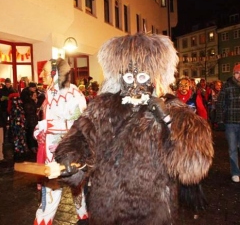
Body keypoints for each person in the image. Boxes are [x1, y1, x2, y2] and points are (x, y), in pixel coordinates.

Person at [54, 33, 214, 225]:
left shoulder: (170, 106)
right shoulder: (102, 106)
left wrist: (167, 119)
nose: (136, 83)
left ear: (153, 77)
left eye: (143, 76)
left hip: (154, 209)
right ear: (121, 78)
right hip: (108, 205)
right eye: (130, 76)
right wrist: (71, 158)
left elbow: (195, 163)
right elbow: (79, 137)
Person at [33, 58, 87, 225]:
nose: (41, 74)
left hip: (70, 155)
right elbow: (44, 124)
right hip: (51, 155)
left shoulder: (73, 94)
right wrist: (39, 132)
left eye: (45, 71)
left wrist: (48, 126)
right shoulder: (49, 93)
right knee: (49, 198)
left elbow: (81, 125)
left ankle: (85, 220)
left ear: (56, 74)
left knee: (78, 193)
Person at [215, 63, 240, 183]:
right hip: (231, 123)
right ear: (234, 74)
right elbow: (220, 103)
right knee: (232, 149)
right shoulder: (227, 86)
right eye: (237, 73)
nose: (239, 75)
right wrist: (220, 120)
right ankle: (235, 172)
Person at [0, 78, 17, 143]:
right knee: (4, 124)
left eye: (8, 83)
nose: (7, 85)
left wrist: (8, 98)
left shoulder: (13, 90)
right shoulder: (1, 90)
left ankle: (11, 138)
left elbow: (15, 98)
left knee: (11, 123)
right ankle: (4, 138)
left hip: (12, 109)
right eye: (6, 83)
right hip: (4, 109)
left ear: (10, 83)